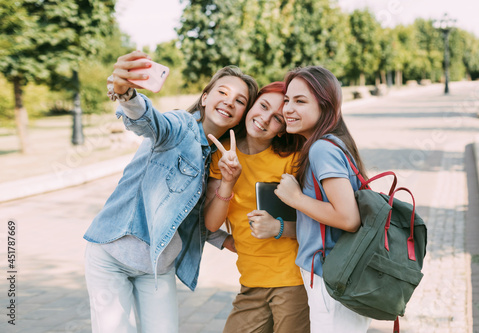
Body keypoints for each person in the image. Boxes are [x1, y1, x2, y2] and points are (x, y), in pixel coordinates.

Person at [83, 50, 258, 333]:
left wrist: (231, 241)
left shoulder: (220, 158)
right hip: (113, 251)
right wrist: (126, 95)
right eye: (222, 92)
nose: (229, 101)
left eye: (240, 101)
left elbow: (192, 213)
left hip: (158, 266)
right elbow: (150, 121)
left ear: (241, 117)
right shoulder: (180, 126)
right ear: (205, 98)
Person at [204, 82, 309, 333]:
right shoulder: (222, 155)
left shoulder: (293, 161)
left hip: (292, 281)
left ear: (283, 130)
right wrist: (228, 182)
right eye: (262, 106)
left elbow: (319, 223)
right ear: (252, 104)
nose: (264, 119)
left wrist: (279, 227)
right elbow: (211, 224)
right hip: (250, 282)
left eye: (277, 119)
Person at [274, 66, 372, 332]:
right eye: (287, 100)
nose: (288, 109)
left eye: (300, 101)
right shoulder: (333, 143)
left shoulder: (321, 149)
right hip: (337, 272)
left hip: (330, 274)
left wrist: (295, 198)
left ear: (325, 106)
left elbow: (348, 218)